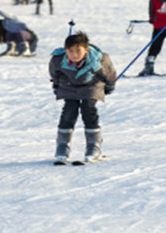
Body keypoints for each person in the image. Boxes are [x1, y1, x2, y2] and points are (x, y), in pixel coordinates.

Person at [48, 32, 117, 164]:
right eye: (70, 51)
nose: (74, 54)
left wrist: (109, 87)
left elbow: (110, 75)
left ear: (86, 49)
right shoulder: (58, 59)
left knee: (88, 108)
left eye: (78, 51)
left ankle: (93, 145)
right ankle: (63, 145)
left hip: (92, 86)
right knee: (69, 110)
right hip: (69, 86)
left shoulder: (100, 59)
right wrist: (57, 85)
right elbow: (54, 74)